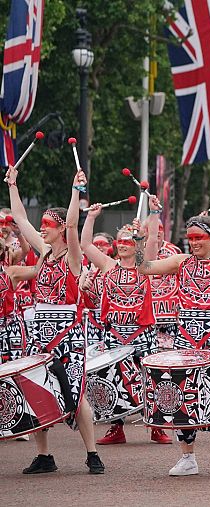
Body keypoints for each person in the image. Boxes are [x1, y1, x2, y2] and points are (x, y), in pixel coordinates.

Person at [137, 196, 210, 477]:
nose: (194, 242)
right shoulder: (181, 262)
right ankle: (188, 457)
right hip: (186, 336)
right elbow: (145, 267)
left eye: (199, 237)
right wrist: (144, 236)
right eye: (191, 238)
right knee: (182, 394)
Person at [5, 166, 105, 474]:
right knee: (36, 389)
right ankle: (45, 456)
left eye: (48, 224)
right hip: (39, 330)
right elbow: (20, 218)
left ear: (60, 229)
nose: (42, 228)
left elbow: (74, 225)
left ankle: (92, 453)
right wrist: (13, 184)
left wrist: (76, 191)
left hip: (68, 331)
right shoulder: (44, 253)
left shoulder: (72, 257)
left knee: (76, 394)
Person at [82, 204, 170, 445]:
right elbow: (86, 245)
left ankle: (156, 426)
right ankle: (116, 428)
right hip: (114, 332)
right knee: (113, 378)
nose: (122, 245)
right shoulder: (108, 265)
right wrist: (90, 217)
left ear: (136, 245)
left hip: (141, 333)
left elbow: (152, 239)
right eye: (119, 241)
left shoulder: (146, 266)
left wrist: (153, 214)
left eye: (128, 242)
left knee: (150, 378)